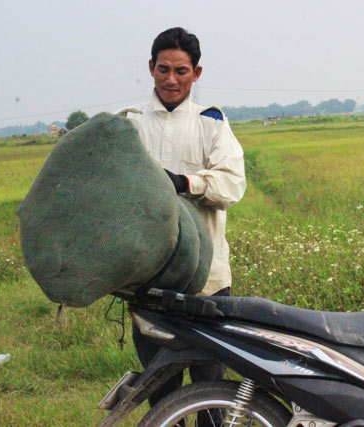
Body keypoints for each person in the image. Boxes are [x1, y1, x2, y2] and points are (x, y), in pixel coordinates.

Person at [118, 27, 246, 406]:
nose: (171, 79)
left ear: (197, 73)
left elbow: (231, 185)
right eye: (163, 69)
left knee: (210, 387)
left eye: (181, 71)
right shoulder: (129, 123)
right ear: (151, 68)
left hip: (207, 280)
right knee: (160, 389)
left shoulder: (212, 123)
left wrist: (186, 182)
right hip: (148, 281)